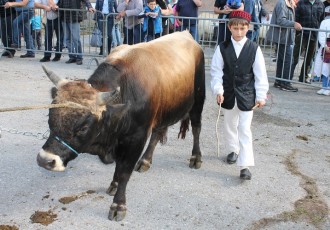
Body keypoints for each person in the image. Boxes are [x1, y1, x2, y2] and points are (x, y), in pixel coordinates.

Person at [210, 10, 269, 180]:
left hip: (247, 96)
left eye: (242, 29)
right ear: (229, 28)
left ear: (247, 28)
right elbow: (216, 72)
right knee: (230, 125)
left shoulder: (254, 49)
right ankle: (232, 150)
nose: (238, 32)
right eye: (235, 28)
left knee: (244, 129)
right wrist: (218, 90)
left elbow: (260, 74)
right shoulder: (222, 47)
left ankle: (245, 165)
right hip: (228, 94)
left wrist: (261, 95)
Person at [266, 0, 302, 92]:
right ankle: (285, 83)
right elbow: (281, 20)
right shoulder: (282, 3)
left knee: (282, 60)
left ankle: (279, 81)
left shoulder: (288, 3)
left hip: (285, 37)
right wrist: (294, 24)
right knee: (288, 60)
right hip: (283, 37)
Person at [290, 0, 324, 83]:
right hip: (302, 34)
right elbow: (296, 19)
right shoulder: (301, 3)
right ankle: (288, 76)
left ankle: (303, 77)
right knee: (295, 57)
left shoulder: (320, 4)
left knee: (309, 58)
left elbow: (321, 20)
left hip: (314, 35)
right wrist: (298, 34)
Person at [52, 0, 95, 65]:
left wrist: (89, 7)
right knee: (67, 39)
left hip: (74, 18)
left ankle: (79, 57)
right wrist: (56, 6)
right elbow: (59, 3)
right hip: (64, 18)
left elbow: (86, 1)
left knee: (76, 39)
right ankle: (72, 57)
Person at [312, 6, 330, 96]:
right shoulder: (325, 22)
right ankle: (324, 86)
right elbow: (322, 34)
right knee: (325, 67)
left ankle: (328, 87)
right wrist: (325, 46)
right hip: (326, 47)